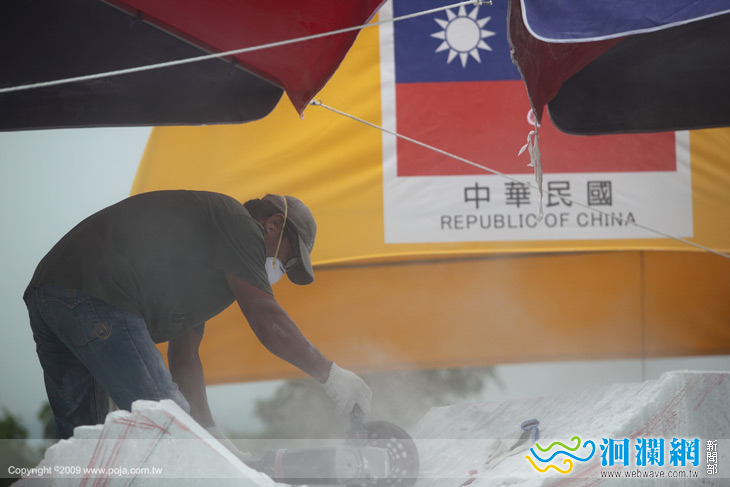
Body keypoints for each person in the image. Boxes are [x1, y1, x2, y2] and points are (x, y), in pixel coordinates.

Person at [23, 190, 371, 453]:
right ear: (274, 224)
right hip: (97, 292)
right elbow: (266, 318)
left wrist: (209, 431)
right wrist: (329, 374)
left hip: (50, 292)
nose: (282, 271)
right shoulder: (240, 225)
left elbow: (184, 356)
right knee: (169, 427)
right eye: (289, 260)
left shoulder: (207, 263)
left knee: (83, 446)